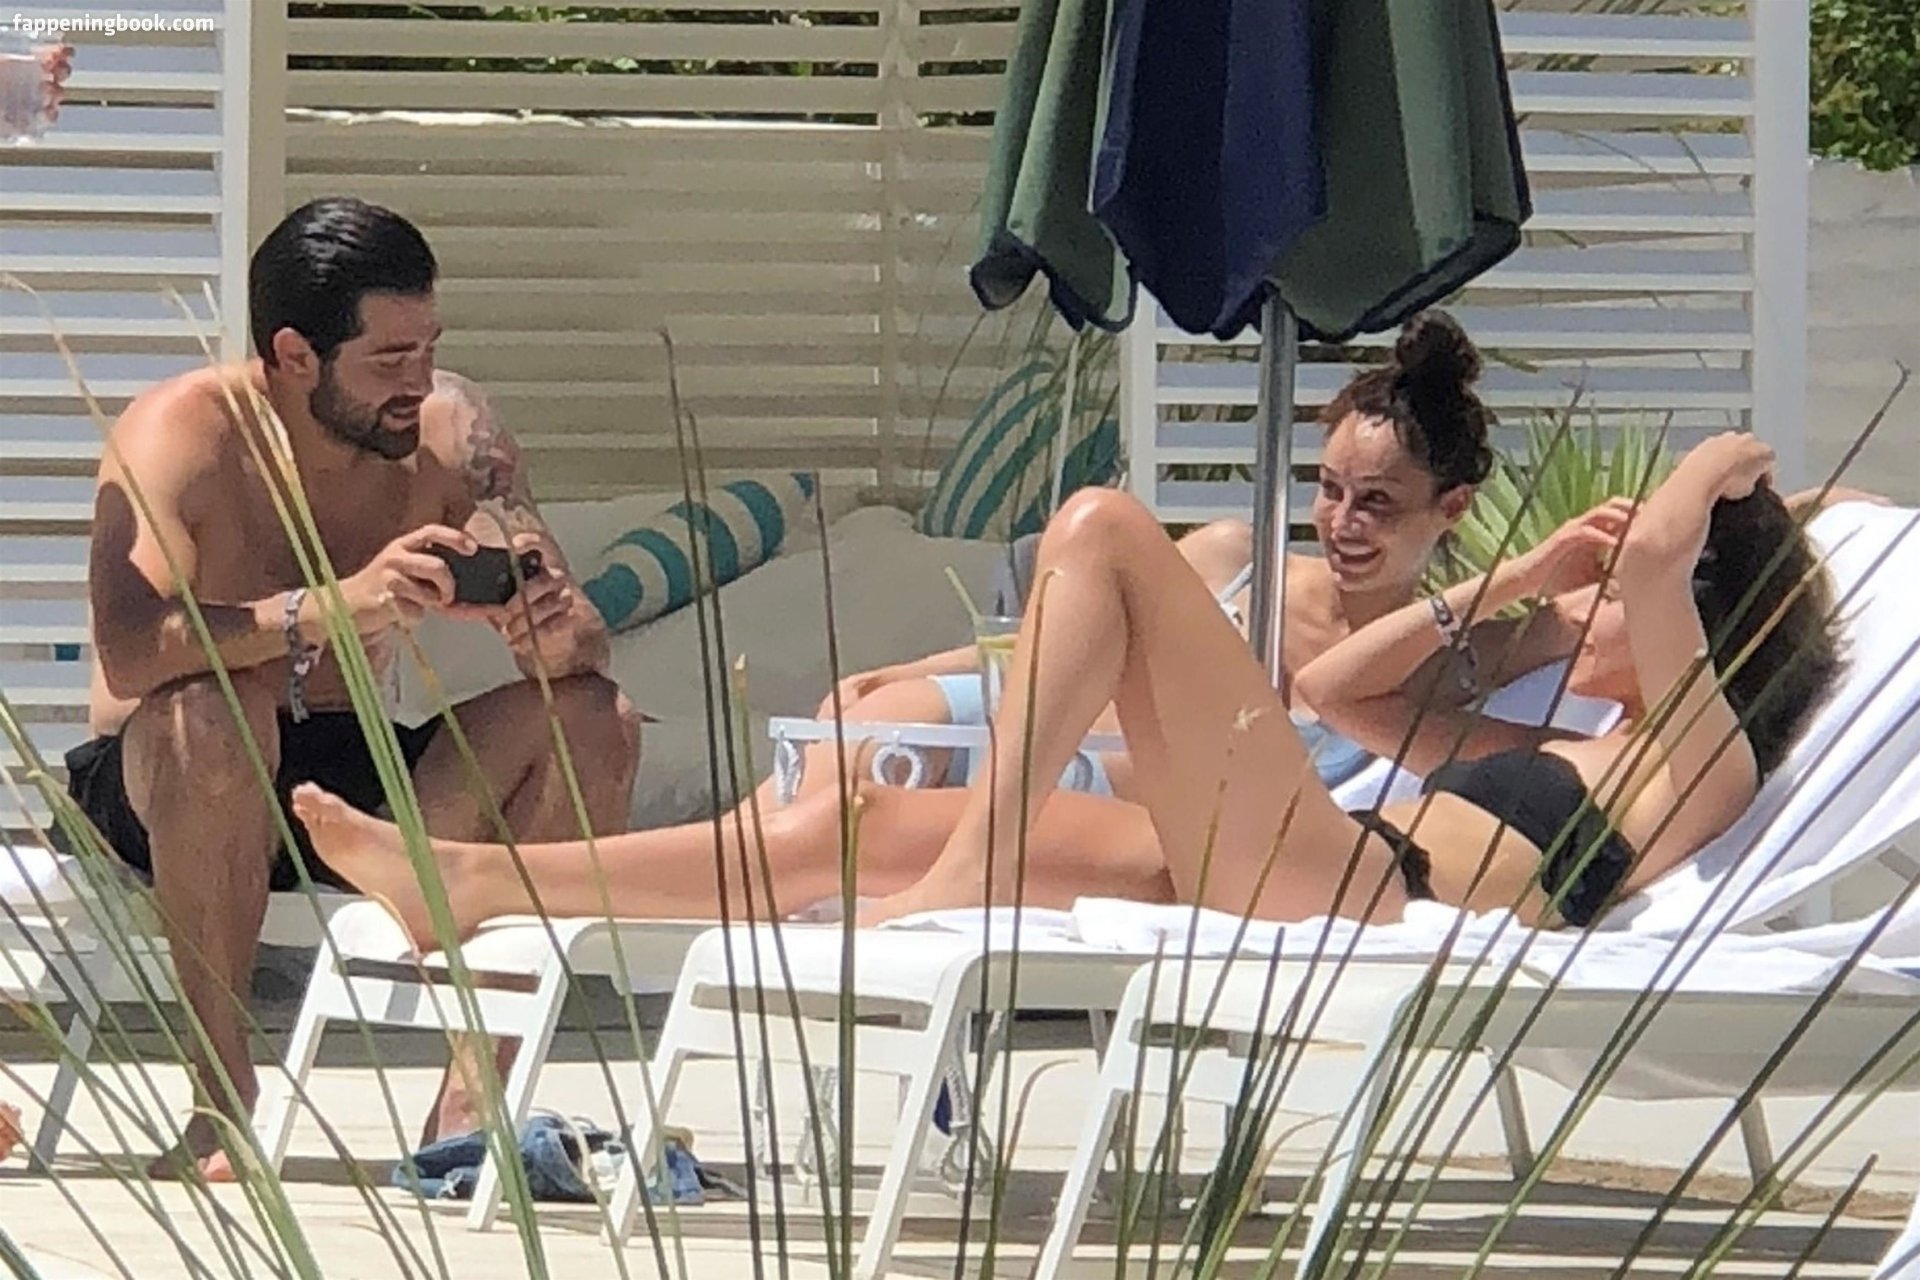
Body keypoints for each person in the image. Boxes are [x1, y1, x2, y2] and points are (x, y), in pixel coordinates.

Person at [58, 197, 641, 1177]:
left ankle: (470, 1107)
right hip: (167, 777)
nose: (419, 382)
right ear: (294, 355)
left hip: (347, 763)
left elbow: (584, 639)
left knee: (595, 721)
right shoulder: (186, 431)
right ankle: (220, 1097)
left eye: (430, 347)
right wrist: (337, 606)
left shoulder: (453, 432)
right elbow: (131, 652)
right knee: (215, 713)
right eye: (389, 359)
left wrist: (546, 624)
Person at [855, 429, 1842, 927]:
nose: (1584, 608)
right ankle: (885, 880)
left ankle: (963, 880)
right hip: (1321, 856)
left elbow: (1664, 552)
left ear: (1700, 628)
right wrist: (1521, 575)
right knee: (858, 824)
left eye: (1610, 594)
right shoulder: (1567, 750)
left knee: (1102, 528)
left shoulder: (1703, 772)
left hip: (1348, 886)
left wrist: (1734, 460)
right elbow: (1336, 691)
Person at [786, 310, 1541, 806]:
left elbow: (1588, 625)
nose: (1342, 522)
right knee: (806, 791)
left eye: (1376, 502)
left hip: (1084, 812)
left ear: (1453, 507)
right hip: (993, 727)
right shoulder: (1235, 561)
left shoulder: (1443, 665)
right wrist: (904, 673)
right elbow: (1062, 642)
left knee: (809, 839)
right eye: (1330, 488)